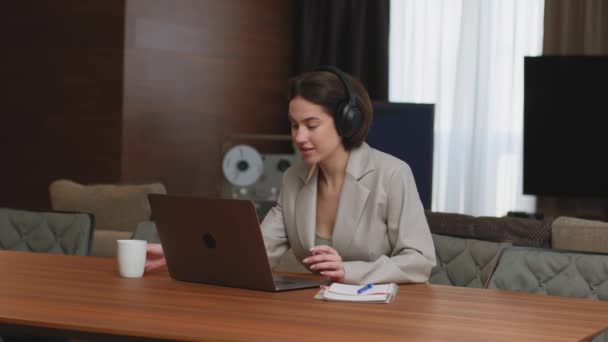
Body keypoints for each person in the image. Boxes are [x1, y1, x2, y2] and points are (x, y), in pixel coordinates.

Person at [145, 66, 436, 285]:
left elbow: (420, 261)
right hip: (315, 313)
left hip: (378, 317)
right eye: (294, 125)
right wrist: (177, 253)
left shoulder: (392, 174)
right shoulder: (294, 178)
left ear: (347, 120)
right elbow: (254, 251)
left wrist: (350, 270)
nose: (299, 136)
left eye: (311, 125)